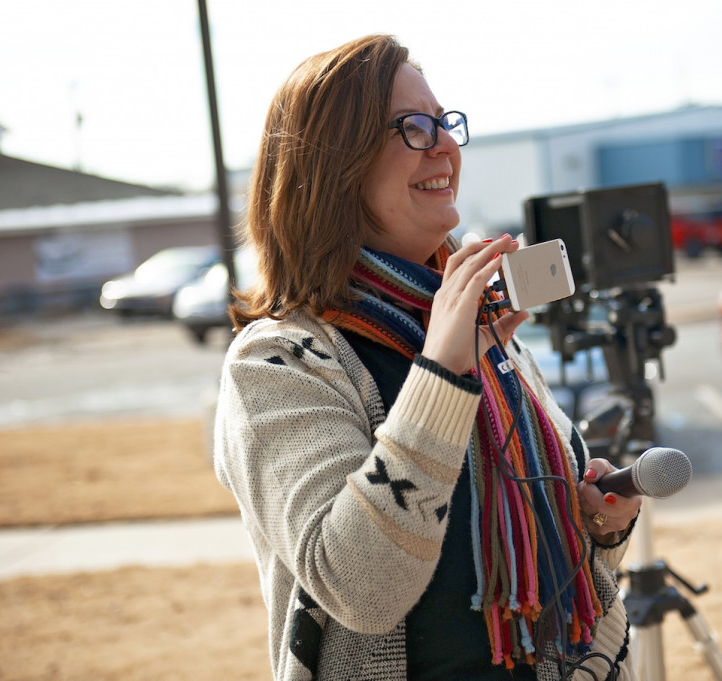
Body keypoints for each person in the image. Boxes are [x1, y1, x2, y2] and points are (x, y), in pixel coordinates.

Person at [213, 34, 643, 681]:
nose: (444, 144)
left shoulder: (484, 329)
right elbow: (359, 589)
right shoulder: (275, 363)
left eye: (445, 122)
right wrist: (443, 371)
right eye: (412, 127)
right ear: (335, 165)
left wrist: (597, 526)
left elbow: (543, 578)